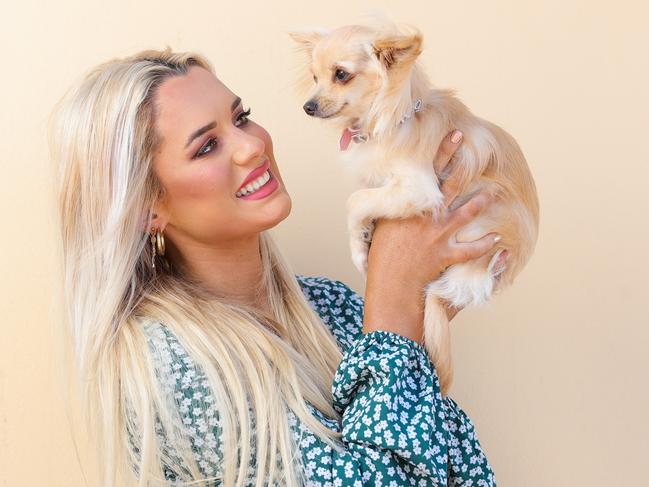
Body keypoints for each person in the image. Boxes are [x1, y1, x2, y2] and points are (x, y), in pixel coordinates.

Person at [50, 48, 501, 486]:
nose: (251, 145)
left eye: (242, 117)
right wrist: (393, 300)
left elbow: (456, 466)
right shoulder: (170, 368)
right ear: (146, 206)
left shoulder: (331, 304)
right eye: (207, 146)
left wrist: (416, 314)